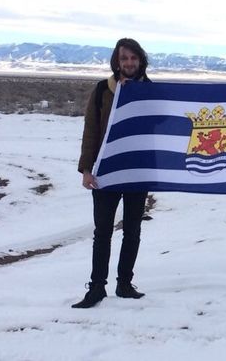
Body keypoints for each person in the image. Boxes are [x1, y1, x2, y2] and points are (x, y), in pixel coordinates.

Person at [71, 38, 151, 308]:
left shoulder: (152, 91)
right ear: (117, 62)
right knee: (103, 231)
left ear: (140, 60)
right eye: (123, 58)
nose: (129, 63)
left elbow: (160, 128)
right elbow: (91, 130)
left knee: (132, 230)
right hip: (106, 172)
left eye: (133, 58)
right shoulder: (103, 90)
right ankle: (96, 287)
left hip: (137, 172)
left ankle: (125, 284)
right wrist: (86, 169)